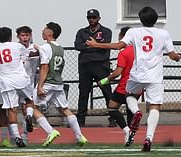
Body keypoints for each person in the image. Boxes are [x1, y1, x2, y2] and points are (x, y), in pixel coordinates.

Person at [86, 7, 181, 152]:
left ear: (141, 19)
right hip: (155, 76)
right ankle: (149, 138)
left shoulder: (134, 32)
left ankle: (136, 111)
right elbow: (173, 56)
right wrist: (177, 57)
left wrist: (97, 44)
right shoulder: (164, 33)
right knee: (155, 107)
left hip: (137, 74)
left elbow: (119, 46)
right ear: (156, 19)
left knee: (130, 95)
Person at [33, 22, 88, 147]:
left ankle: (50, 131)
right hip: (58, 83)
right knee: (64, 109)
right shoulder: (60, 48)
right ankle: (79, 136)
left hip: (48, 82)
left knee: (31, 107)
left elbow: (45, 67)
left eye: (45, 28)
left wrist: (40, 86)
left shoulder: (46, 47)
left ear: (50, 33)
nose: (42, 30)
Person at [0, 27, 34, 147]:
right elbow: (27, 55)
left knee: (11, 109)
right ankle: (29, 116)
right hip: (21, 79)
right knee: (29, 101)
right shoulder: (18, 46)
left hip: (7, 83)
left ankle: (17, 137)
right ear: (11, 36)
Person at [74, 9, 116, 127]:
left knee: (107, 92)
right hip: (85, 67)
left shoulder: (106, 31)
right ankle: (80, 120)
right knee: (83, 93)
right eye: (89, 17)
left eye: (94, 17)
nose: (91, 20)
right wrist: (95, 46)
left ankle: (113, 118)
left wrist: (91, 46)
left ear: (98, 18)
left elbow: (105, 45)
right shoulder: (82, 32)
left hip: (101, 66)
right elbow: (77, 46)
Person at [98, 26, 138, 146]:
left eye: (120, 35)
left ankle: (126, 130)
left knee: (112, 107)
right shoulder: (138, 51)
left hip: (125, 85)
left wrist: (105, 80)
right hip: (138, 85)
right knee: (131, 110)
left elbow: (117, 72)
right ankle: (131, 135)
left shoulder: (124, 52)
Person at [16, 26, 39, 144]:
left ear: (30, 36)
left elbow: (40, 54)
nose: (25, 38)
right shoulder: (16, 48)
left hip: (29, 84)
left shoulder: (34, 48)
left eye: (27, 35)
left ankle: (23, 137)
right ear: (18, 37)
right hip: (17, 83)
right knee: (23, 109)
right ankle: (21, 135)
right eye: (22, 35)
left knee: (27, 108)